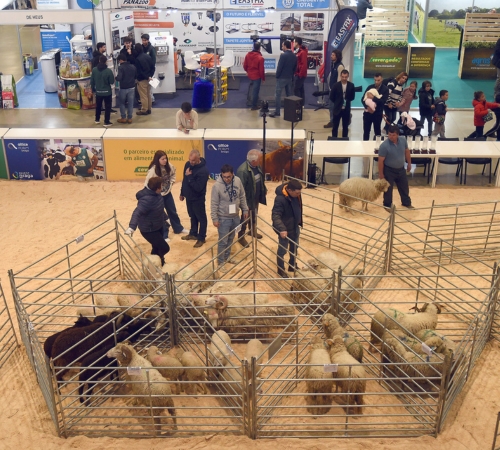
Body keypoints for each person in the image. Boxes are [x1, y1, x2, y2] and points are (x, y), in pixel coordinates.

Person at [124, 177, 170, 266]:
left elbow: (159, 207)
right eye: (161, 186)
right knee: (165, 248)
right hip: (149, 229)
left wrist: (166, 218)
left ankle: (158, 265)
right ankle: (154, 263)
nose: (162, 187)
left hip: (158, 225)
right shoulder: (147, 200)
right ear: (157, 188)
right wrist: (132, 227)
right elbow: (137, 212)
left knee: (156, 248)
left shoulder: (157, 194)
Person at [211, 164, 248, 270]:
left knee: (231, 238)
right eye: (224, 177)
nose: (226, 179)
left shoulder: (238, 181)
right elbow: (214, 203)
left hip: (235, 217)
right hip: (223, 218)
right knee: (223, 241)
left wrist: (245, 209)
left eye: (229, 177)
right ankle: (221, 262)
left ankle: (227, 257)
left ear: (233, 174)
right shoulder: (217, 186)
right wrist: (214, 218)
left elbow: (242, 196)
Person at [145, 150, 189, 241]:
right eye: (162, 159)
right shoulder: (152, 171)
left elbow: (173, 173)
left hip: (167, 194)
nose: (165, 160)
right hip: (157, 196)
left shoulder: (169, 166)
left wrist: (171, 182)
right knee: (161, 215)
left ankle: (178, 228)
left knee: (172, 211)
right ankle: (164, 235)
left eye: (166, 158)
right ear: (158, 160)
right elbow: (147, 184)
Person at [271, 179, 303, 278]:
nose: (298, 194)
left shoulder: (296, 195)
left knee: (294, 247)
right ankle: (280, 269)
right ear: (289, 190)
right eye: (297, 192)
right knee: (282, 250)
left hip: (295, 226)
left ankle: (292, 265)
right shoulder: (280, 199)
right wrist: (282, 229)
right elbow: (275, 215)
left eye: (299, 192)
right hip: (285, 229)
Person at [236, 149, 267, 247]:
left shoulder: (257, 166)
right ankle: (241, 236)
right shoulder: (242, 171)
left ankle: (252, 231)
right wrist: (245, 204)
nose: (261, 160)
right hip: (247, 200)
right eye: (259, 159)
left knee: (254, 215)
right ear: (254, 161)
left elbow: (260, 179)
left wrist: (264, 189)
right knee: (245, 218)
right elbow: (240, 190)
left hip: (256, 198)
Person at [378, 125, 413, 210]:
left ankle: (406, 203)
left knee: (404, 187)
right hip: (389, 170)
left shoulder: (403, 140)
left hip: (401, 169)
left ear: (398, 134)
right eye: (389, 135)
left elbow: (407, 152)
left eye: (393, 135)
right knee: (388, 190)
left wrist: (409, 163)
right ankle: (387, 205)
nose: (391, 137)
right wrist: (381, 174)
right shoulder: (384, 146)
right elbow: (380, 161)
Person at [180, 150, 209, 248]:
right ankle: (193, 233)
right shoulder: (187, 164)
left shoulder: (203, 171)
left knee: (201, 218)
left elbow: (198, 187)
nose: (190, 162)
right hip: (189, 197)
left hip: (198, 198)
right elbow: (185, 180)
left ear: (198, 159)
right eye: (190, 160)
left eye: (193, 160)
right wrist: (182, 192)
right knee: (192, 216)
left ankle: (201, 238)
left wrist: (190, 176)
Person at [269, 40, 297, 118]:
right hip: (289, 78)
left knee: (278, 95)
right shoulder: (294, 56)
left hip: (281, 78)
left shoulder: (283, 55)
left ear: (285, 46)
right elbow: (295, 67)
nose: (282, 47)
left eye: (282, 46)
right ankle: (290, 111)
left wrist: (277, 76)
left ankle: (277, 112)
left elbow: (279, 67)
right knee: (289, 95)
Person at [361, 73, 389, 140]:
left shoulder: (385, 89)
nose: (376, 82)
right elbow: (363, 99)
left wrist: (373, 98)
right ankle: (365, 146)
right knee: (366, 131)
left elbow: (382, 102)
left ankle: (377, 147)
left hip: (377, 114)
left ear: (381, 79)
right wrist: (367, 107)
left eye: (378, 80)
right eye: (375, 80)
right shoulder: (370, 87)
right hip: (367, 113)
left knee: (377, 132)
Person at [329, 69, 355, 138]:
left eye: (345, 77)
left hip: (346, 110)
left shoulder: (351, 85)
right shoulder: (335, 85)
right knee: (335, 126)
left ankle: (344, 140)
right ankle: (334, 139)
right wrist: (338, 102)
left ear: (348, 77)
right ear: (340, 76)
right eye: (343, 77)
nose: (344, 78)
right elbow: (331, 97)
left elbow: (352, 97)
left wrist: (347, 100)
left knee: (345, 127)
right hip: (337, 109)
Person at [90, 55, 115, 127]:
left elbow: (92, 81)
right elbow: (111, 82)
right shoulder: (108, 71)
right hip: (107, 92)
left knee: (98, 106)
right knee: (107, 107)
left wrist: (93, 89)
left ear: (99, 61)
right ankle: (106, 122)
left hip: (98, 92)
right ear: (106, 62)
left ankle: (97, 119)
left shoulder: (94, 70)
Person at [324, 50, 345, 128]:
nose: (331, 56)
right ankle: (332, 121)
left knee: (334, 107)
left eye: (333, 55)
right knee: (331, 106)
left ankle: (333, 122)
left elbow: (340, 79)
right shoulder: (333, 65)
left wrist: (337, 90)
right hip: (332, 90)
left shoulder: (340, 66)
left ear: (337, 56)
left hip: (336, 91)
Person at [243, 42, 265, 111]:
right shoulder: (260, 58)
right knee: (255, 91)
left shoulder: (247, 55)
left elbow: (245, 66)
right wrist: (263, 78)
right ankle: (254, 106)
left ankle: (252, 102)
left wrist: (248, 71)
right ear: (259, 48)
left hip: (250, 75)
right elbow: (261, 70)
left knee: (251, 89)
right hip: (257, 76)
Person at [116, 53, 137, 124]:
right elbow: (135, 76)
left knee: (122, 103)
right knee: (130, 103)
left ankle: (123, 118)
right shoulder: (133, 66)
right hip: (132, 87)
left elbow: (119, 77)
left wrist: (115, 78)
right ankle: (130, 118)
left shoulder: (120, 67)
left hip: (123, 88)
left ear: (121, 60)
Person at [134, 43, 154, 116]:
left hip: (142, 80)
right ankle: (149, 109)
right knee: (148, 94)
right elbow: (153, 67)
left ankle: (144, 109)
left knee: (143, 96)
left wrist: (146, 77)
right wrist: (150, 76)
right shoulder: (148, 56)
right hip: (149, 79)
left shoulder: (138, 59)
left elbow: (139, 71)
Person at [141, 34, 156, 103]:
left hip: (150, 70)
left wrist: (150, 72)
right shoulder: (141, 48)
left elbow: (153, 61)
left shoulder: (151, 49)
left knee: (150, 85)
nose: (144, 42)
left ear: (148, 40)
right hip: (142, 70)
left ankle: (151, 99)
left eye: (145, 40)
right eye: (143, 40)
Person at [293, 37, 308, 106]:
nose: (293, 43)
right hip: (299, 73)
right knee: (301, 88)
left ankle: (298, 104)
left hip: (300, 74)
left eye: (294, 42)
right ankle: (301, 104)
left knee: (296, 88)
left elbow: (303, 64)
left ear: (297, 43)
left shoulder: (302, 52)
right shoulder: (299, 51)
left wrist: (300, 74)